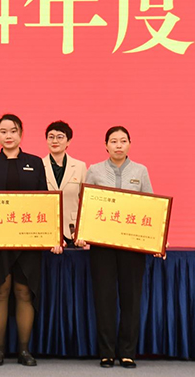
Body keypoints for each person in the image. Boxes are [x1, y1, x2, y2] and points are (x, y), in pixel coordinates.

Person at [0, 114, 59, 367]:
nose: (8, 135)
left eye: (13, 131)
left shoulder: (35, 162)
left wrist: (52, 236)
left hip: (28, 239)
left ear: (21, 134)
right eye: (3, 131)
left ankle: (24, 350)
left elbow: (44, 202)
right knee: (0, 291)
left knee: (24, 291)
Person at [76, 126, 159, 369]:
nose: (118, 145)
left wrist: (155, 238)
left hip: (132, 246)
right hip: (102, 245)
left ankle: (127, 352)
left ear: (130, 144)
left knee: (131, 300)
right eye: (113, 141)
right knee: (104, 298)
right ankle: (107, 352)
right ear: (106, 145)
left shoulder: (140, 170)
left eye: (123, 141)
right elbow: (86, 205)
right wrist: (82, 234)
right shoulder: (94, 170)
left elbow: (151, 206)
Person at [41, 121, 87, 248]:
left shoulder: (80, 167)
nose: (55, 141)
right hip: (46, 228)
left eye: (60, 137)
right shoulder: (38, 165)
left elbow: (86, 202)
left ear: (68, 141)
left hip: (73, 230)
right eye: (51, 137)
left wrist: (82, 231)